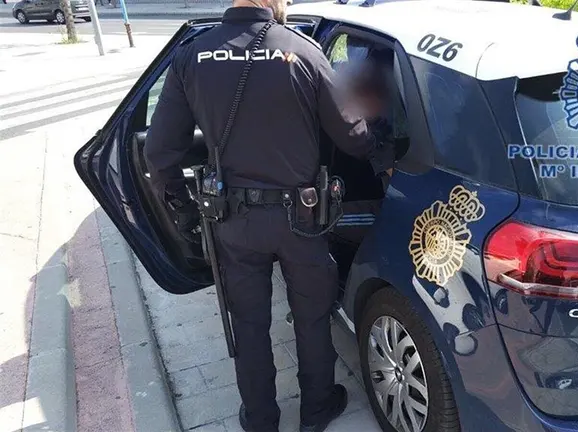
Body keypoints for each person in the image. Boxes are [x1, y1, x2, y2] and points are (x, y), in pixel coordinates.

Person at [142, 1, 396, 431]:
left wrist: (182, 207)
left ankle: (260, 419)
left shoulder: (193, 55)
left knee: (249, 322)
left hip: (232, 220)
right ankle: (317, 410)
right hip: (303, 216)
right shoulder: (303, 50)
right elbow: (352, 136)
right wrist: (382, 149)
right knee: (312, 316)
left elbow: (159, 151)